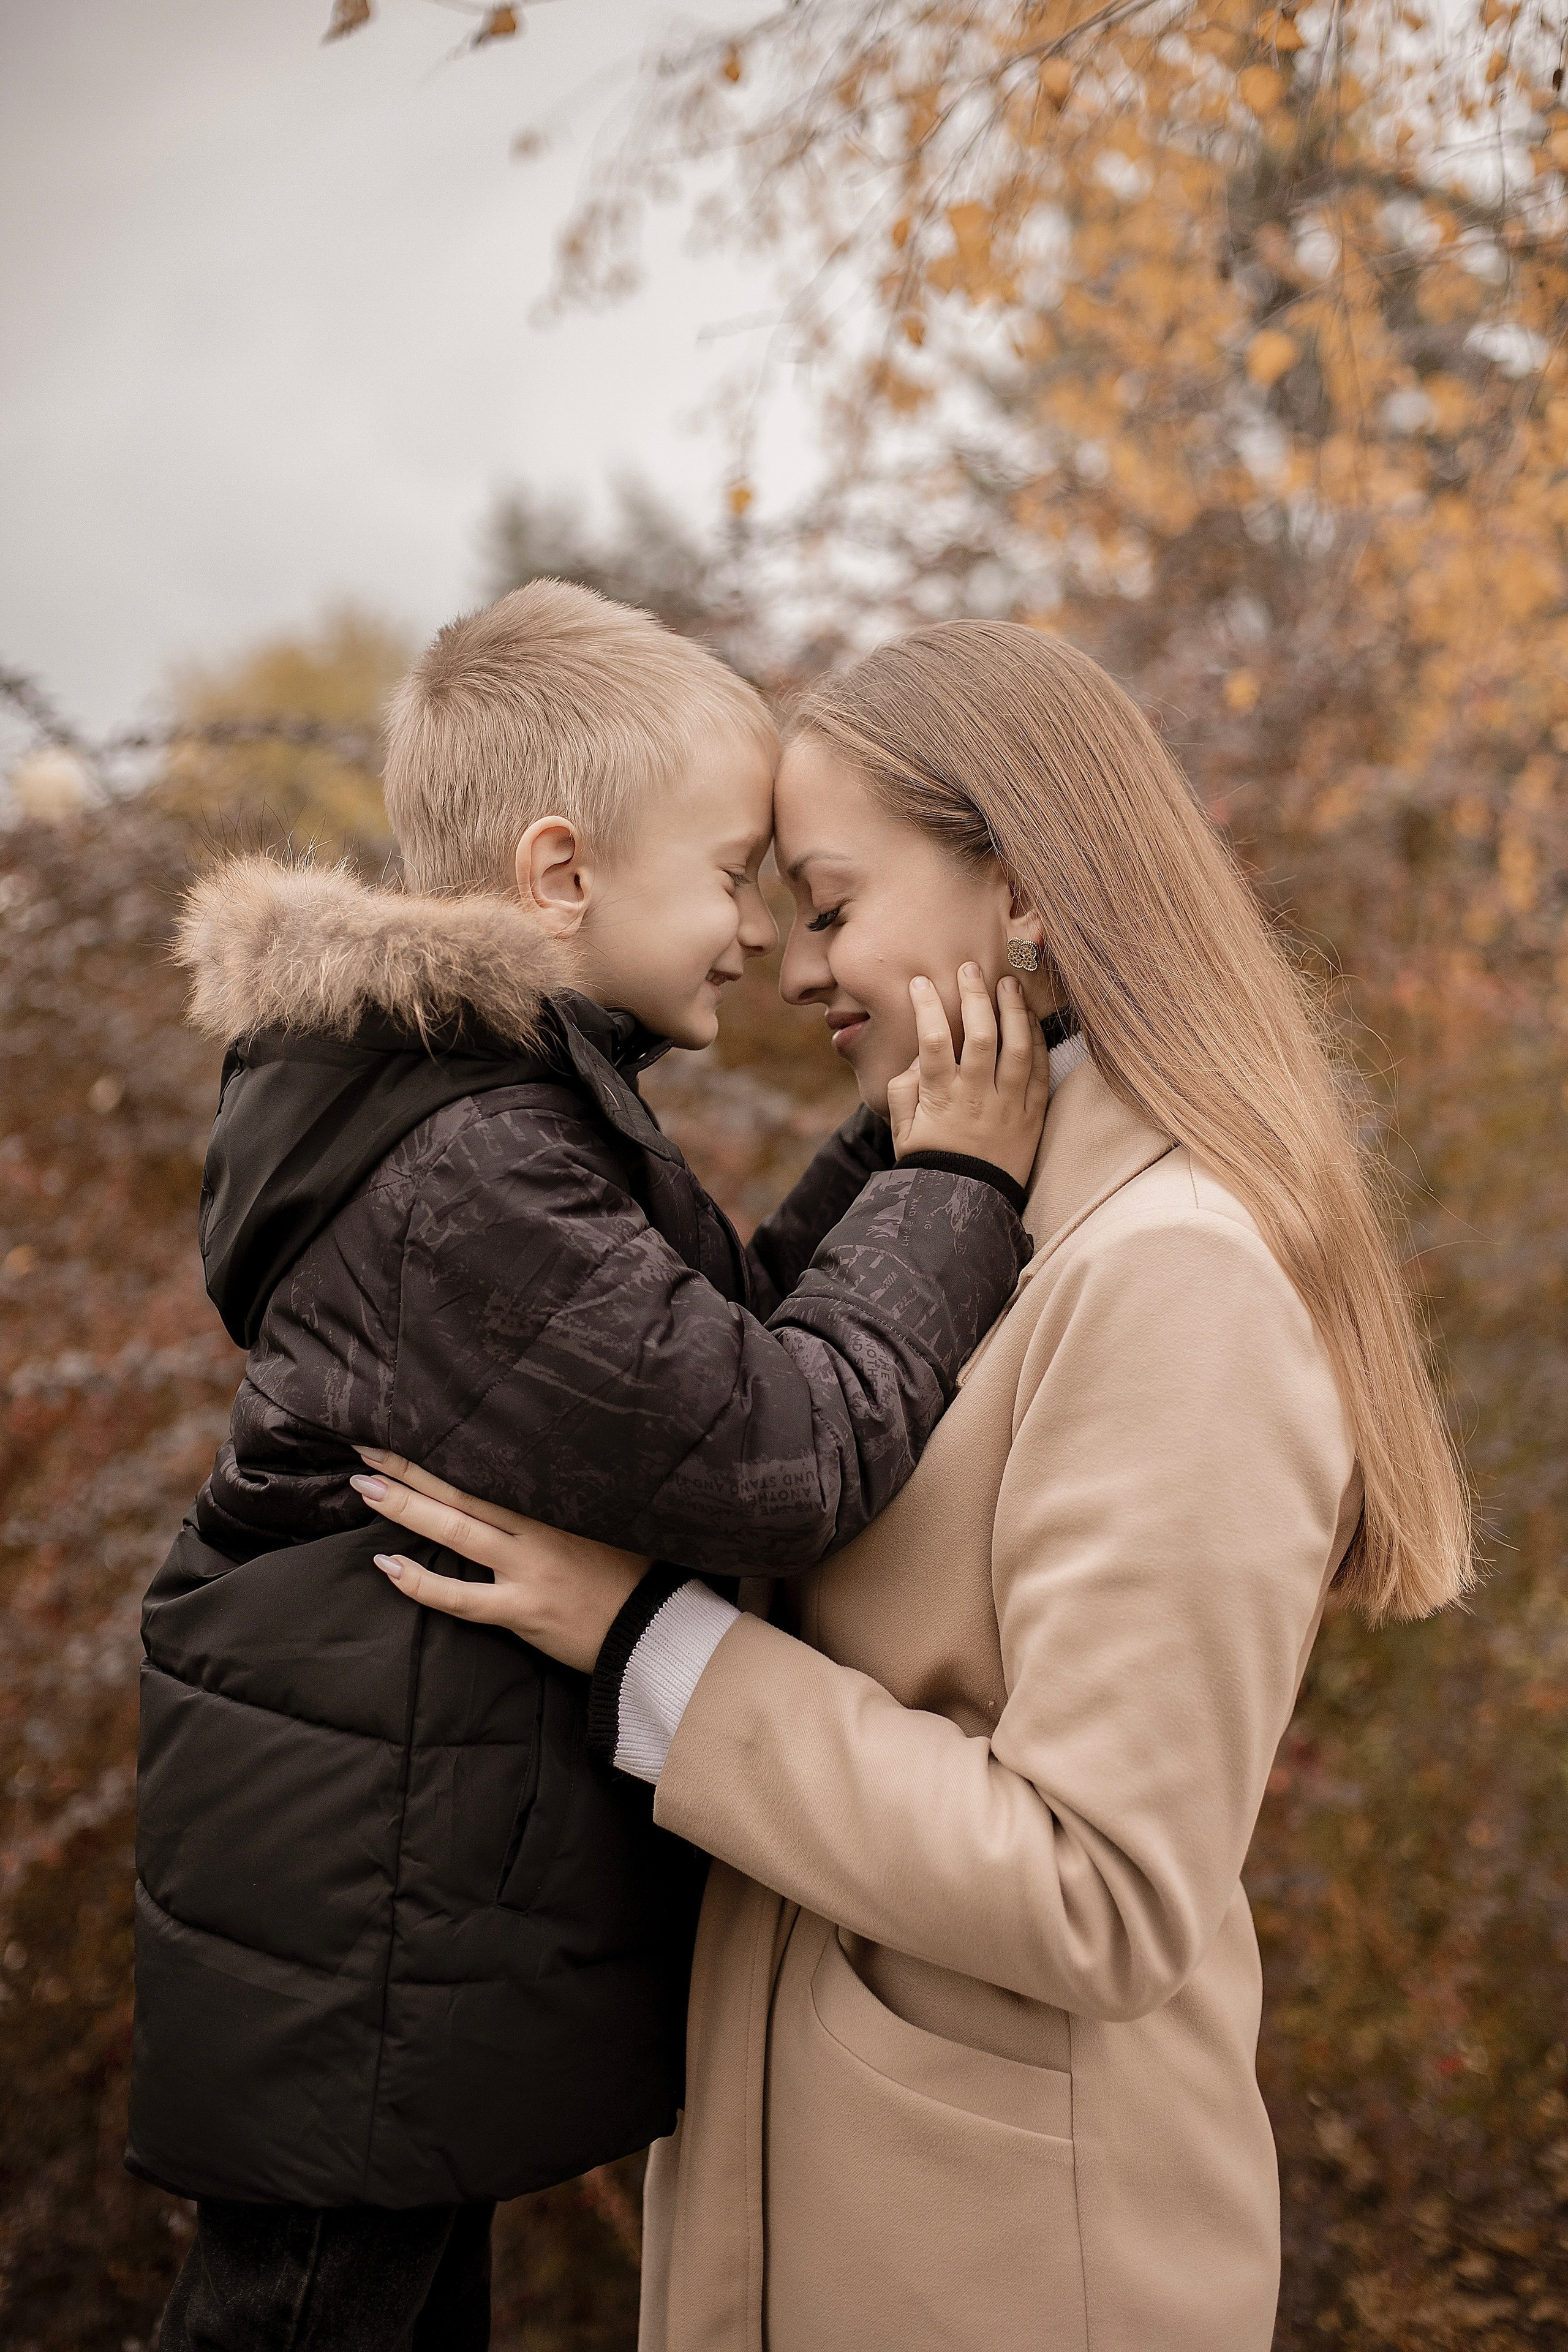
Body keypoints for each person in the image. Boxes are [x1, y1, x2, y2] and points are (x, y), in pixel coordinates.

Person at [355, 619, 1472, 2352]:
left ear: (1021, 895)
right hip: (834, 2208)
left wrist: (647, 1646)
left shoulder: (1169, 1271)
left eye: (826, 901)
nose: (788, 964)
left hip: (1014, 2267)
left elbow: (1100, 1892)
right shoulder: (975, 1232)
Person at [133, 583, 1050, 2351]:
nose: (752, 939)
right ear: (561, 876)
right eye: (727, 875)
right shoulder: (467, 1167)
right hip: (365, 1926)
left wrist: (909, 1132)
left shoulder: (486, 1119)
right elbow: (781, 1453)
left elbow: (718, 1366)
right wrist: (962, 1187)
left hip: (385, 1897)